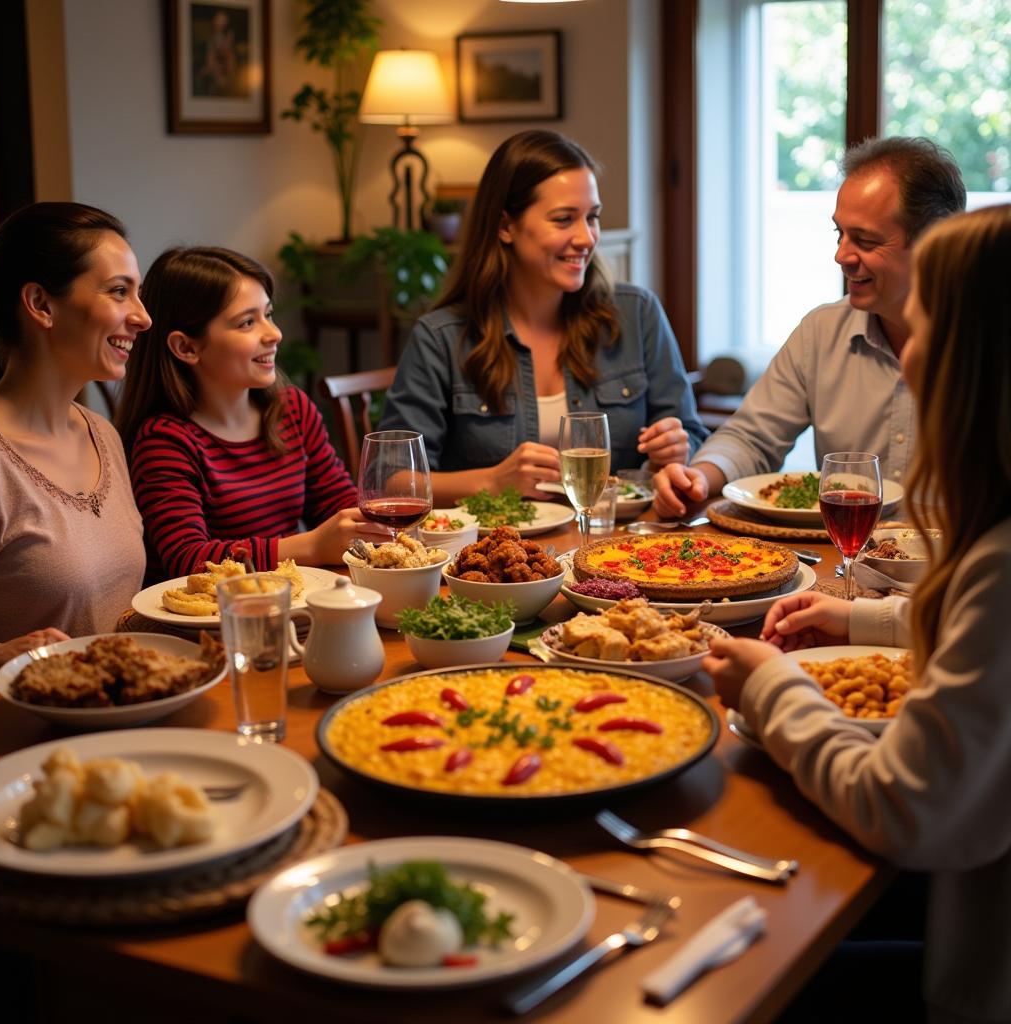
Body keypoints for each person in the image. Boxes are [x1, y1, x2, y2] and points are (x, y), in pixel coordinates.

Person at [704, 203, 1011, 1023]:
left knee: (732, 974)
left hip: (975, 977)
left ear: (980, 365)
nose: (906, 365)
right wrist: (866, 622)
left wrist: (768, 686)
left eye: (928, 333)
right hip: (968, 896)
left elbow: (900, 810)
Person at [379, 130, 708, 505]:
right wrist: (492, 480)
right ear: (505, 226)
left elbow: (693, 437)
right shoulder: (441, 337)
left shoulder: (637, 313)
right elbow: (392, 480)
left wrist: (675, 453)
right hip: (499, 553)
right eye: (564, 219)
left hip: (620, 550)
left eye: (592, 217)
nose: (587, 238)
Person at [653, 136, 966, 518]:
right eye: (840, 234)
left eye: (865, 241)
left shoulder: (990, 340)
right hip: (842, 567)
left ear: (933, 243)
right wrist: (698, 476)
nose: (841, 256)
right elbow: (752, 437)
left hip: (962, 574)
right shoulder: (822, 330)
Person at [116, 247, 387, 582]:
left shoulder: (292, 410)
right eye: (247, 322)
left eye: (268, 314)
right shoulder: (165, 441)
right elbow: (190, 560)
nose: (274, 334)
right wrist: (313, 545)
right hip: (211, 625)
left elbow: (338, 502)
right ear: (187, 347)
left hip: (290, 602)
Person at [0, 202, 150, 676]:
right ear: (41, 304)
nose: (143, 318)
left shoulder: (103, 434)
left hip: (124, 714)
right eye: (120, 292)